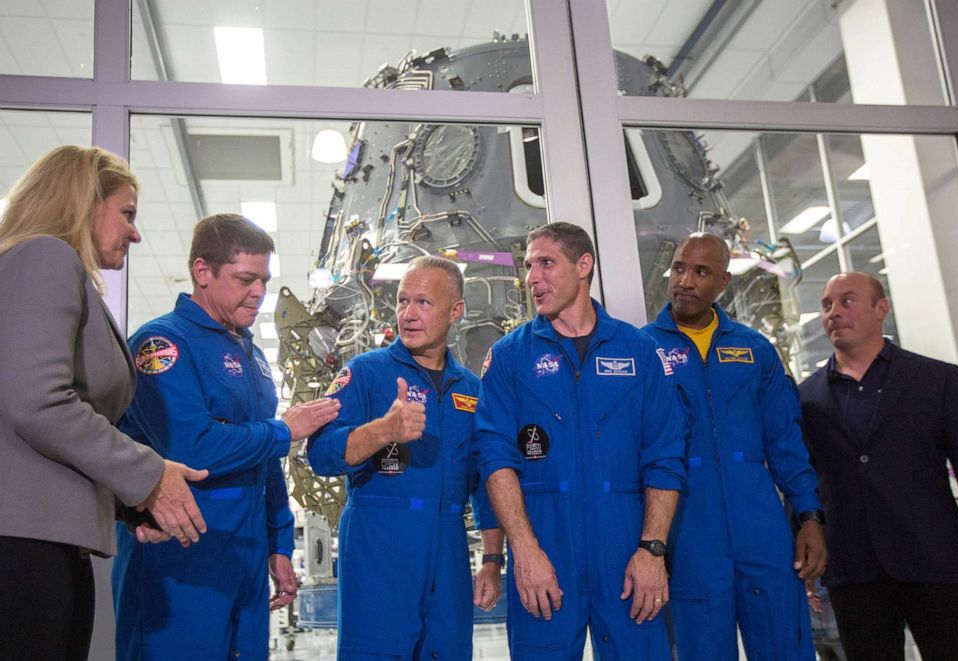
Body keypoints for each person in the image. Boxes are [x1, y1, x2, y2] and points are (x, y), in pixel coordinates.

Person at [0, 145, 208, 661]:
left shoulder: (42, 266)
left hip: (42, 537)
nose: (135, 233)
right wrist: (148, 474)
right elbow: (38, 402)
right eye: (128, 213)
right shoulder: (45, 256)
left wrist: (126, 501)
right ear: (84, 202)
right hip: (22, 546)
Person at [111, 213, 341, 660]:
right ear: (203, 272)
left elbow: (263, 460)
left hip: (244, 554)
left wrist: (277, 542)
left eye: (264, 280)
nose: (258, 292)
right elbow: (191, 447)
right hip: (180, 556)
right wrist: (284, 430)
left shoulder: (250, 354)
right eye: (245, 279)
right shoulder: (162, 344)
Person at [473, 222, 687, 660]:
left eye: (546, 263)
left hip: (626, 550)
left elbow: (665, 457)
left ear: (584, 265)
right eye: (528, 266)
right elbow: (495, 460)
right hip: (545, 550)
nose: (532, 278)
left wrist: (652, 550)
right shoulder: (510, 358)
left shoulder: (638, 351)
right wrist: (525, 552)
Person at [307, 255, 504, 660]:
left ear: (456, 312)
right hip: (379, 547)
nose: (408, 314)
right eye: (402, 301)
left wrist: (491, 558)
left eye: (423, 303)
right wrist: (383, 431)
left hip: (448, 550)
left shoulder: (471, 389)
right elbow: (321, 454)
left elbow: (486, 483)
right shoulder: (364, 373)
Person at [642, 232, 826, 660]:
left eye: (701, 272)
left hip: (760, 523)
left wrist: (810, 516)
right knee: (702, 647)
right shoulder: (642, 350)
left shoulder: (755, 350)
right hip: (688, 524)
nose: (685, 280)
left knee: (784, 640)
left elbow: (785, 441)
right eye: (680, 269)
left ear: (723, 282)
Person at [799, 271, 958, 661]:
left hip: (935, 562)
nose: (834, 312)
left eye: (847, 301)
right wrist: (806, 557)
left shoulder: (936, 379)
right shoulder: (806, 398)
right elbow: (802, 481)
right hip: (852, 569)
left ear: (880, 308)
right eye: (827, 305)